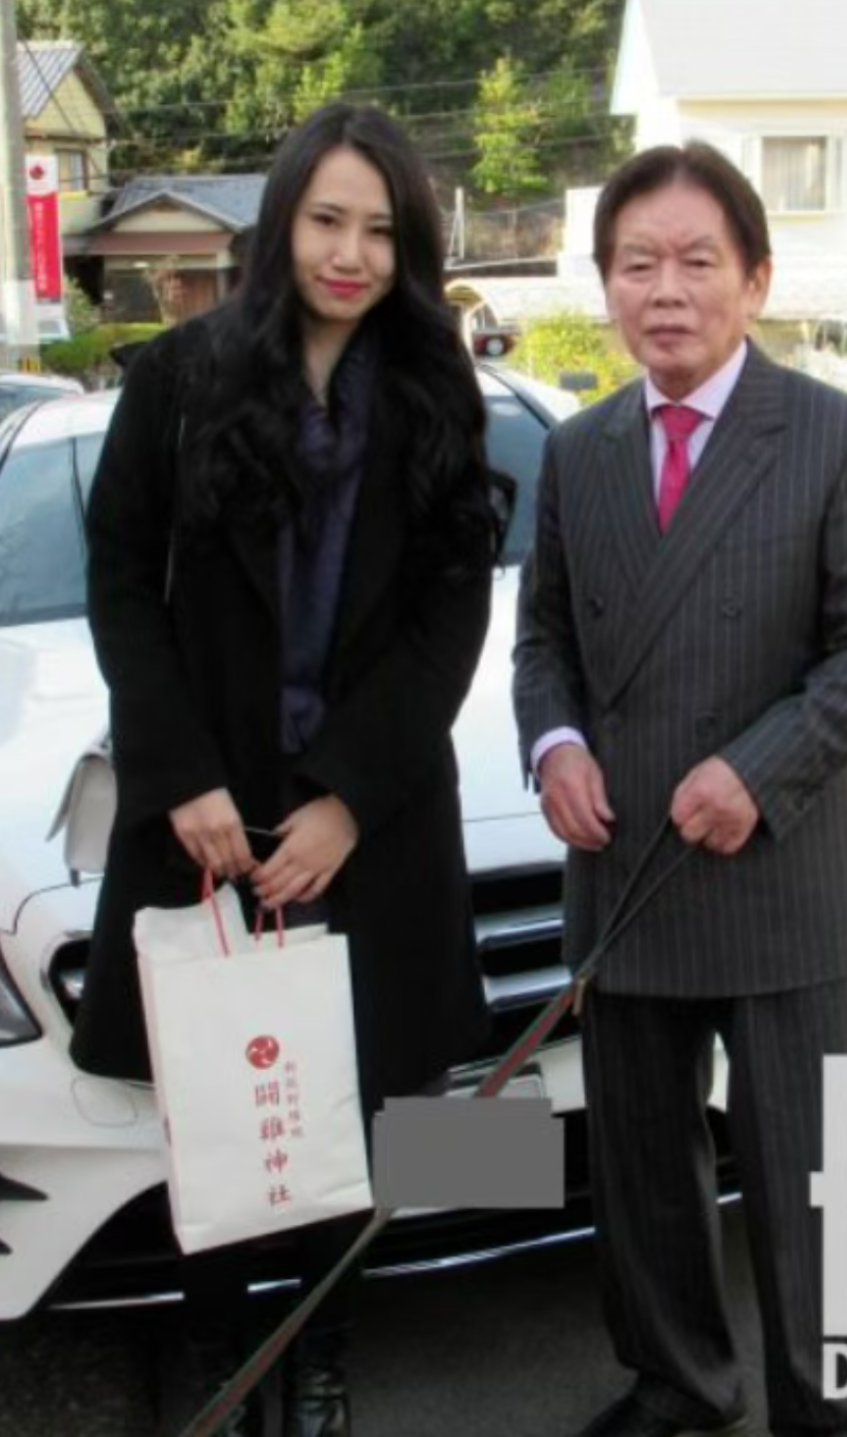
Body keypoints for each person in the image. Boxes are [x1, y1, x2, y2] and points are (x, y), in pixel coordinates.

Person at [70, 102, 505, 1437]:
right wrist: (180, 776)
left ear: (410, 247)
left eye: (381, 230)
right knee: (217, 1105)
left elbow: (452, 611)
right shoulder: (182, 379)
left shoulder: (435, 390)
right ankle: (218, 1354)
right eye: (327, 220)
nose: (350, 254)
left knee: (357, 1114)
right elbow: (120, 582)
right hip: (210, 820)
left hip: (368, 827)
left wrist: (351, 798)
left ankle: (319, 1357)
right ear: (281, 223)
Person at [513, 142, 847, 1437]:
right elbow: (543, 644)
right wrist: (554, 746)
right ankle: (678, 1383)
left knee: (814, 1166)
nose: (667, 290)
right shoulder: (579, 452)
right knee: (642, 1160)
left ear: (756, 279)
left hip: (781, 866)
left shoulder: (840, 440)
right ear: (606, 286)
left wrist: (757, 769)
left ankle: (834, 1405)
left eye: (698, 261)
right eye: (638, 264)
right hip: (626, 861)